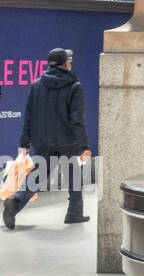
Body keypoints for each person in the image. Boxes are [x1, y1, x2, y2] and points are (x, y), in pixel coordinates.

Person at [4, 49, 92, 229]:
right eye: (69, 61)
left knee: (37, 175)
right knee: (73, 176)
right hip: (67, 141)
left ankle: (15, 201)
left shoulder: (37, 85)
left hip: (42, 141)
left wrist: (24, 142)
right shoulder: (75, 86)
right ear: (66, 63)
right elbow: (77, 120)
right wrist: (84, 146)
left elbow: (28, 116)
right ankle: (74, 213)